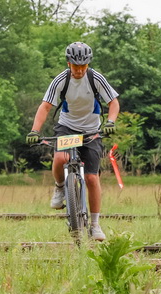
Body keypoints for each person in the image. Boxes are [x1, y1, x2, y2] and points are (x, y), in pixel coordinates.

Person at [26, 42, 120, 241]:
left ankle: (95, 225)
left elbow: (113, 102)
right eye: (76, 66)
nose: (79, 70)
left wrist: (110, 122)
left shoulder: (96, 78)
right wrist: (35, 130)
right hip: (67, 127)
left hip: (92, 130)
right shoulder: (61, 80)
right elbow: (45, 106)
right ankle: (60, 187)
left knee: (92, 178)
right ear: (69, 63)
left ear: (88, 64)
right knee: (61, 158)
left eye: (83, 66)